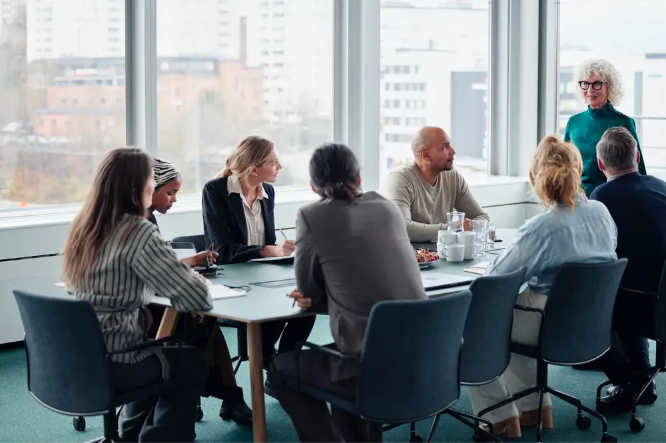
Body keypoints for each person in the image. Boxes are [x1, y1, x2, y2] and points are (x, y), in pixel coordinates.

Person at [267, 143, 427, 442]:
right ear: (359, 178)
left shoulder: (312, 215)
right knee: (345, 361)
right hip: (426, 358)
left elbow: (309, 294)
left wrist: (317, 294)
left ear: (313, 186)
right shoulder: (386, 206)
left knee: (280, 370)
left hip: (367, 366)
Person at [466, 135, 617, 437]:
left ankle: (498, 415)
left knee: (477, 325)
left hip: (547, 322)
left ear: (535, 177)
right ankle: (536, 407)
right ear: (578, 169)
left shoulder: (541, 228)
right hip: (590, 322)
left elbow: (495, 280)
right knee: (514, 320)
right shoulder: (602, 212)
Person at [62, 148, 213, 442]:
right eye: (149, 178)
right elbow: (198, 299)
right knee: (191, 362)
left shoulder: (84, 226)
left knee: (152, 353)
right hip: (116, 359)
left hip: (76, 356)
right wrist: (193, 277)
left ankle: (131, 436)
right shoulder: (137, 231)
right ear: (137, 187)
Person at [148, 157, 252, 425]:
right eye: (169, 192)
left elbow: (154, 266)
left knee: (207, 323)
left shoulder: (134, 218)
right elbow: (156, 273)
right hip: (142, 321)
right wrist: (193, 283)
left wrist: (192, 262)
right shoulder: (140, 226)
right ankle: (208, 397)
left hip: (125, 318)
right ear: (148, 187)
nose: (174, 199)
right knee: (204, 322)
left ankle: (216, 398)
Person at [202, 135, 315, 369]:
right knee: (278, 307)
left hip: (263, 275)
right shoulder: (216, 191)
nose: (279, 167)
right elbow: (222, 250)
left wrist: (283, 250)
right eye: (274, 162)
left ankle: (283, 366)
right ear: (254, 169)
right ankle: (267, 360)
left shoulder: (268, 193)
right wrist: (269, 250)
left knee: (306, 304)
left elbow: (270, 242)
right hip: (230, 277)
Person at [590, 127, 666, 412]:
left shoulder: (601, 197)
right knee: (630, 283)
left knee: (581, 304)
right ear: (637, 156)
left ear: (600, 164)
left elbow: (595, 254)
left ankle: (633, 380)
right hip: (659, 302)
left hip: (632, 301)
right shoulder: (661, 187)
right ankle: (642, 381)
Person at [380, 126, 489, 242]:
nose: (453, 151)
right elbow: (403, 228)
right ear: (425, 155)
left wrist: (462, 228)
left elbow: (482, 218)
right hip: (409, 257)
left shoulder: (453, 177)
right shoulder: (399, 180)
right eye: (445, 147)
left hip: (442, 253)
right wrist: (454, 229)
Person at [564, 58, 647, 198]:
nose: (589, 90)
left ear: (609, 87)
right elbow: (564, 165)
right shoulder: (574, 122)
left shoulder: (624, 122)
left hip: (613, 197)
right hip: (577, 200)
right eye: (585, 84)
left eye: (596, 84)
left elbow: (638, 170)